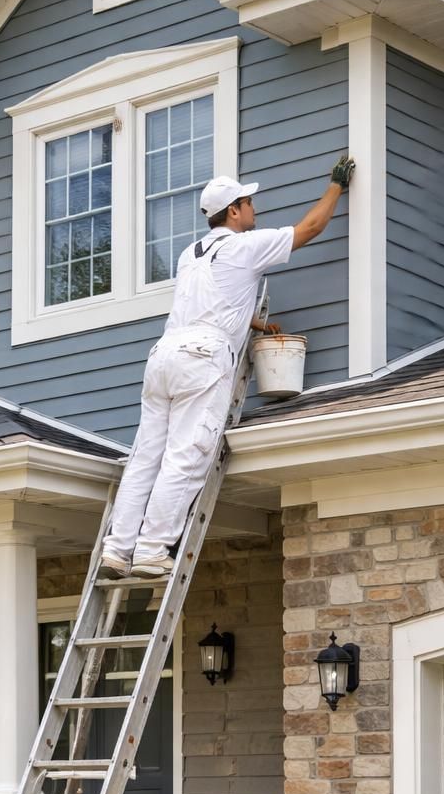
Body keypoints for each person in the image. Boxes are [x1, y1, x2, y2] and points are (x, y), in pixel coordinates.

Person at [100, 155, 355, 579]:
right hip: (203, 358)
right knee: (187, 456)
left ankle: (116, 549)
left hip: (164, 355)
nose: (254, 209)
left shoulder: (190, 255)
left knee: (145, 458)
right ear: (233, 211)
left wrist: (253, 322)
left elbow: (212, 299)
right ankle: (149, 550)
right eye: (247, 203)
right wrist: (336, 187)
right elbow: (309, 229)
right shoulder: (243, 245)